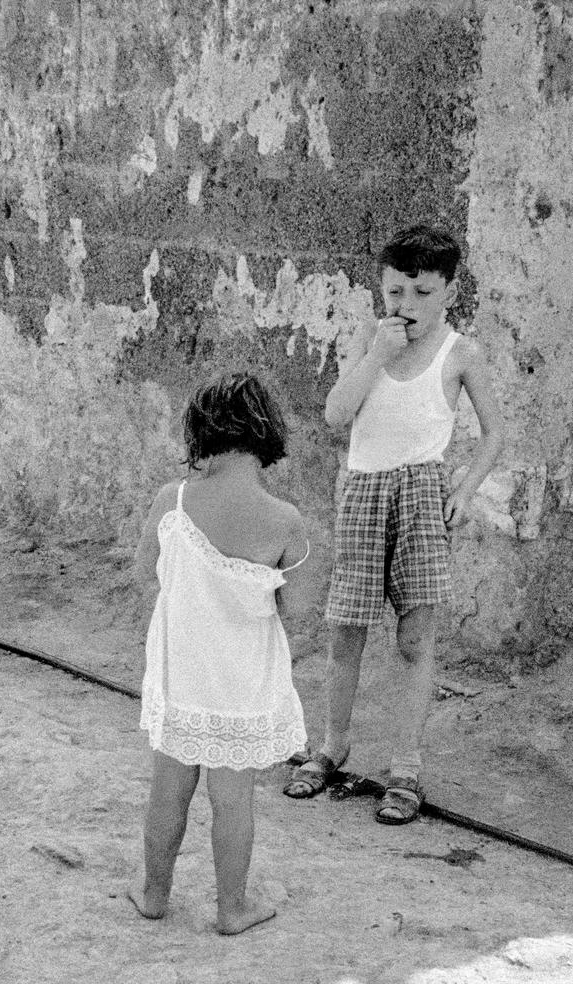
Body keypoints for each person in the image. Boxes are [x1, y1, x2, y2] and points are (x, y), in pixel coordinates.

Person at [283, 224, 504, 823]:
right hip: (363, 491)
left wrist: (463, 491)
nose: (407, 306)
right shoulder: (370, 340)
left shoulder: (461, 352)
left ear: (450, 291)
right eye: (396, 291)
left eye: (423, 293)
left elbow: (495, 433)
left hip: (421, 494)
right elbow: (335, 414)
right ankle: (331, 746)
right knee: (345, 629)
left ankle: (405, 766)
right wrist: (378, 351)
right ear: (382, 287)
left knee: (414, 638)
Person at [129, 373, 309, 934]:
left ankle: (154, 891)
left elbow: (143, 577)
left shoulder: (171, 501)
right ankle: (232, 906)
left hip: (182, 674)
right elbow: (295, 609)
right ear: (268, 437)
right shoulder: (286, 521)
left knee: (169, 788)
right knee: (234, 800)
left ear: (200, 435)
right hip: (241, 684)